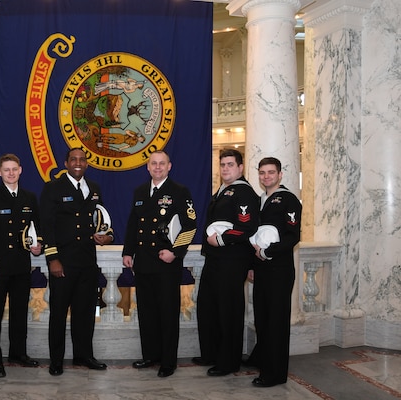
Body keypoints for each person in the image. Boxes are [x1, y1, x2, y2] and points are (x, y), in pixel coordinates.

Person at [39, 147, 114, 376]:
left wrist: (106, 236)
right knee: (59, 313)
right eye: (74, 159)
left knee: (85, 313)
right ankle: (57, 360)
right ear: (66, 163)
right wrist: (52, 258)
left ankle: (84, 355)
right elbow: (46, 226)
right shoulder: (53, 188)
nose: (78, 163)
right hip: (63, 261)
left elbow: (99, 220)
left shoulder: (94, 189)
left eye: (82, 160)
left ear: (87, 164)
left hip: (87, 262)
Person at [122, 150, 197, 378]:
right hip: (143, 263)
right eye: (153, 164)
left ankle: (168, 361)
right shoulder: (140, 191)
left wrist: (175, 252)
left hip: (166, 264)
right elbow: (133, 225)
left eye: (161, 164)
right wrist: (128, 252)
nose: (157, 167)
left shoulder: (179, 192)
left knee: (167, 313)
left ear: (169, 166)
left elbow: (190, 225)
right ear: (148, 167)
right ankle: (150, 355)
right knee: (147, 312)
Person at [194, 148, 259, 376]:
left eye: (230, 164)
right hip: (215, 260)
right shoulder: (223, 191)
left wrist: (221, 240)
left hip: (232, 260)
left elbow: (247, 228)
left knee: (228, 311)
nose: (225, 169)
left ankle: (228, 361)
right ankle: (211, 353)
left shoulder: (244, 193)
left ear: (241, 168)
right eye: (223, 165)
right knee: (208, 307)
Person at [0, 154, 42, 378]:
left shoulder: (29, 198)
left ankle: (18, 353)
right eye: (6, 170)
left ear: (21, 170)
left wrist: (37, 246)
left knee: (19, 312)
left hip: (22, 266)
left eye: (14, 169)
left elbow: (36, 229)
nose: (11, 173)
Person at [246, 157, 302, 387]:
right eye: (262, 173)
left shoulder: (289, 200)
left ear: (280, 174)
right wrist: (252, 263)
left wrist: (268, 252)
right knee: (262, 317)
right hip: (260, 269)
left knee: (276, 322)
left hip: (278, 269)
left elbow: (292, 236)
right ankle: (262, 359)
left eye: (271, 172)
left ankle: (275, 374)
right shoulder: (260, 200)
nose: (266, 176)